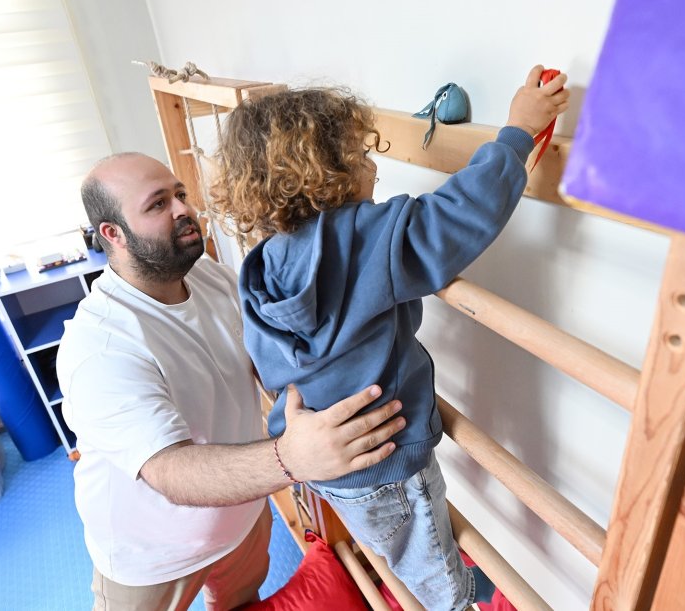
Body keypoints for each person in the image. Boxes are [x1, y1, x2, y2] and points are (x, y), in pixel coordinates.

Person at [210, 66, 569, 610]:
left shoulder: (263, 265)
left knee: (395, 544)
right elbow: (456, 218)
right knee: (431, 570)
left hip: (323, 467)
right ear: (326, 173)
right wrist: (517, 132)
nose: (373, 165)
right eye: (360, 154)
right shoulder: (367, 239)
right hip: (388, 465)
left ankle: (431, 575)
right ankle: (456, 597)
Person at [57, 151, 407, 611]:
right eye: (158, 204)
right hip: (151, 556)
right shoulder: (100, 347)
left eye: (180, 193)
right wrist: (294, 457)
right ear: (113, 234)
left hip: (240, 516)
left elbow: (269, 364)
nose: (184, 208)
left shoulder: (211, 278)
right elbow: (170, 471)